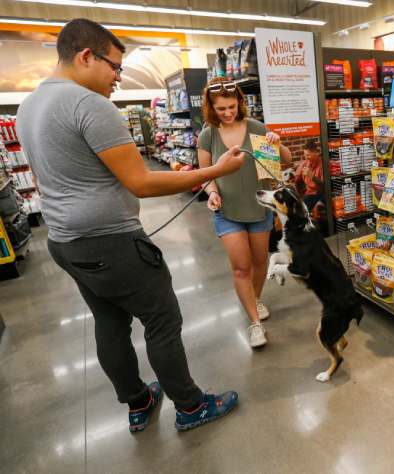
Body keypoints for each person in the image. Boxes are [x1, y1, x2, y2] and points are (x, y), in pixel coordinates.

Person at [16, 18, 242, 433]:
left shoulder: (28, 107)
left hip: (65, 242)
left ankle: (138, 402)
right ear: (86, 56)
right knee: (162, 319)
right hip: (112, 243)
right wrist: (211, 172)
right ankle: (191, 407)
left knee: (109, 322)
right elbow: (140, 181)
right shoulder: (89, 105)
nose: (117, 78)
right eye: (114, 67)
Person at [197, 77, 291, 348]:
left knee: (261, 261)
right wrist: (212, 192)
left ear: (240, 103)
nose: (227, 113)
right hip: (227, 212)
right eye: (220, 109)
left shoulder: (256, 128)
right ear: (210, 108)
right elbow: (205, 176)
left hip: (258, 208)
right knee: (241, 268)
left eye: (231, 107)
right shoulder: (208, 135)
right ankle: (254, 323)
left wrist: (277, 142)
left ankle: (255, 299)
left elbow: (285, 160)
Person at [294, 139, 324, 212]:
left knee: (318, 208)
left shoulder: (323, 164)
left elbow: (326, 186)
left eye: (308, 155)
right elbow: (295, 180)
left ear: (315, 152)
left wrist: (312, 177)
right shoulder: (304, 164)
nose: (306, 157)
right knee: (300, 210)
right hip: (309, 194)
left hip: (322, 194)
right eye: (305, 155)